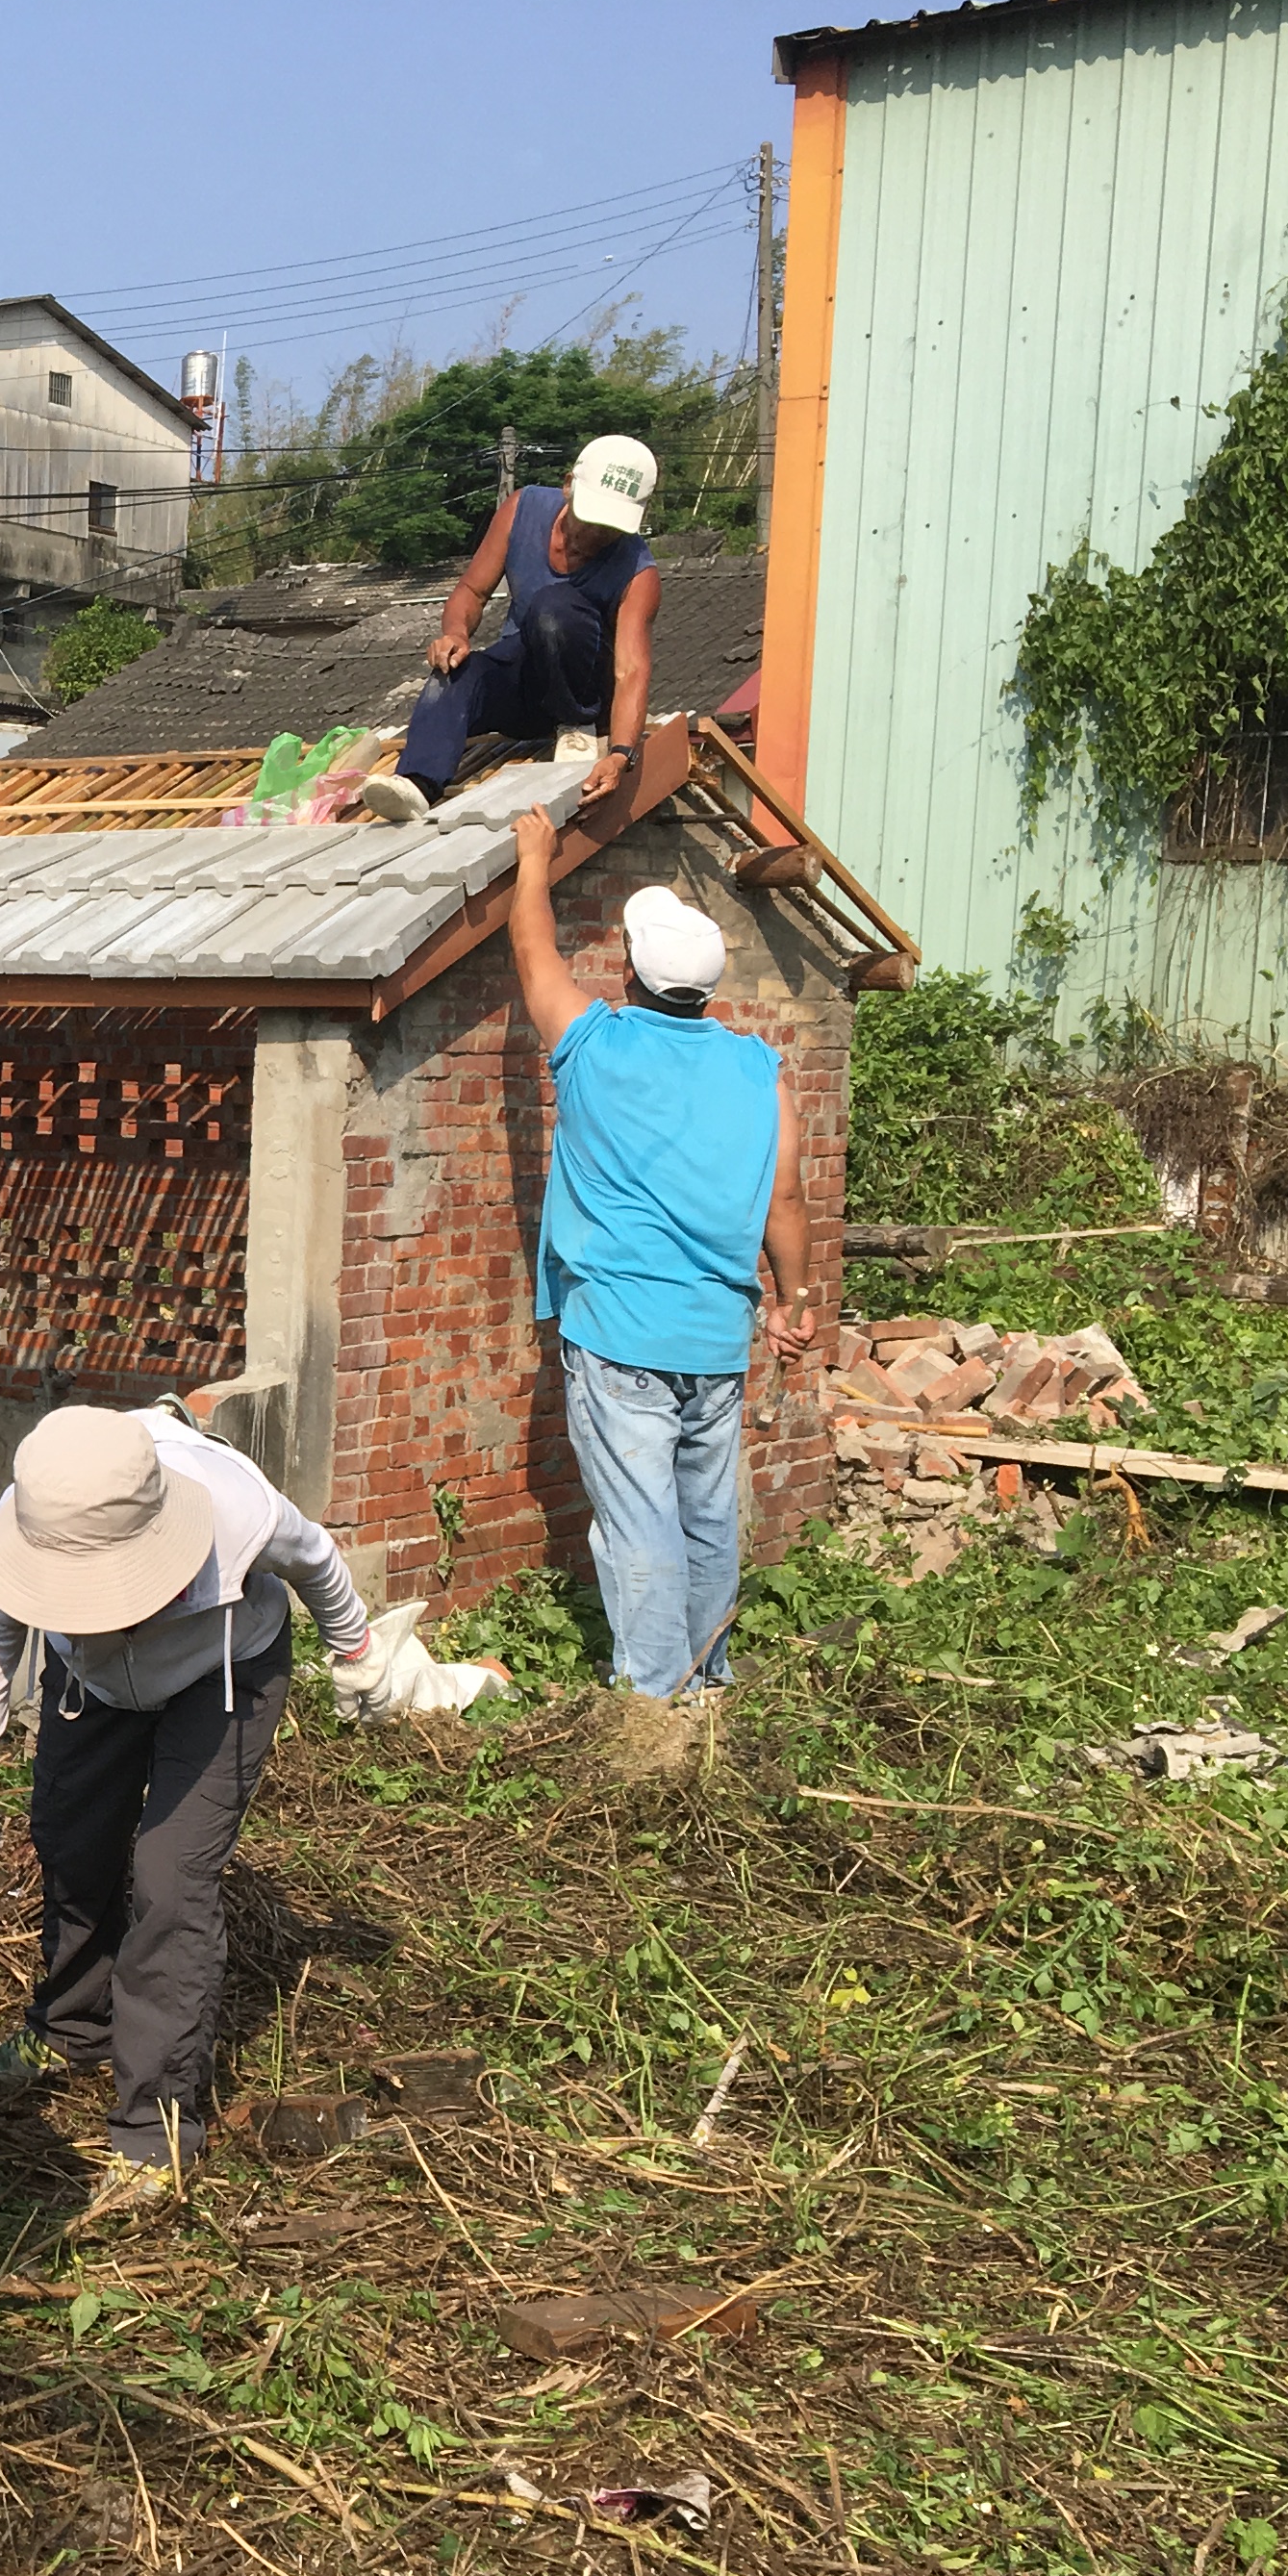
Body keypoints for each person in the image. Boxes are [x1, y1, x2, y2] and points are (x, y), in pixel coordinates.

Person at [0, 1403, 453, 2213]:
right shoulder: (23, 1534)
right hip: (94, 1684)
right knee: (68, 1838)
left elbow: (320, 1560)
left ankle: (157, 2129)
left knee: (170, 1879)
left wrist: (357, 1654)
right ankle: (72, 2029)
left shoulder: (233, 1507)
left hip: (224, 1677)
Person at [504, 807, 820, 1699]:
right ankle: (707, 1678)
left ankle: (654, 1703)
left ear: (634, 974)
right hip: (717, 1337)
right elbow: (785, 1200)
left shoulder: (597, 1044)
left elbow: (534, 956)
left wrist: (533, 862)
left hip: (620, 1335)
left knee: (639, 1523)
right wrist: (794, 1302)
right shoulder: (761, 1070)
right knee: (708, 1516)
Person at [360, 435, 665, 823]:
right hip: (524, 681)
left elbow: (630, 671)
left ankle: (574, 724)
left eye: (610, 527)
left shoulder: (639, 573)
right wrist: (456, 634)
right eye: (590, 519)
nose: (596, 535)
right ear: (569, 485)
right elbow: (471, 590)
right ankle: (417, 783)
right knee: (455, 675)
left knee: (552, 608)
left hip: (584, 691)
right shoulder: (524, 509)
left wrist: (621, 752)